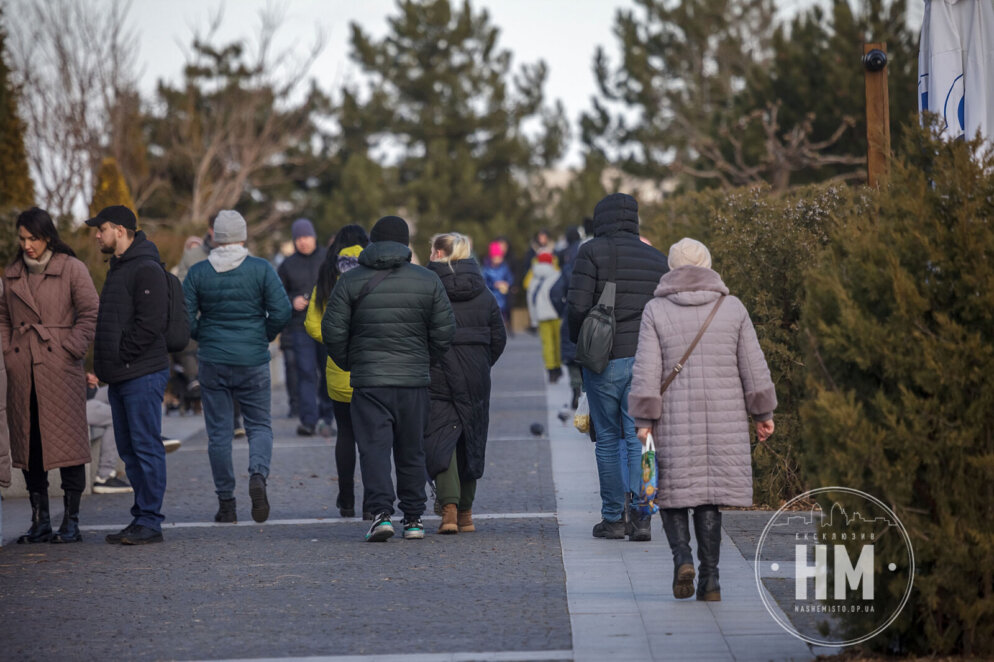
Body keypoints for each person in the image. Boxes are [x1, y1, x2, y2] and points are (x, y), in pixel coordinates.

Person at [629, 238, 776, 601]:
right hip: (722, 420)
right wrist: (762, 413)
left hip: (674, 419)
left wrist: (644, 420)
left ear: (671, 267)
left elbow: (647, 369)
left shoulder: (655, 309)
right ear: (708, 265)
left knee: (674, 494)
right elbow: (753, 367)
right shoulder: (733, 307)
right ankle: (711, 580)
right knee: (709, 497)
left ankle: (683, 559)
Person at [322, 215, 454, 542]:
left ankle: (381, 515)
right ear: (405, 244)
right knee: (412, 450)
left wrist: (351, 362)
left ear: (373, 243)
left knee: (373, 449)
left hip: (369, 382)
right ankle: (413, 519)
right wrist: (426, 360)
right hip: (413, 381)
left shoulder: (350, 281)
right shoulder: (427, 280)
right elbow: (445, 331)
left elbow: (332, 330)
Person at [567, 193, 668, 542]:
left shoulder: (591, 252)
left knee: (608, 439)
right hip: (647, 360)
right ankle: (642, 517)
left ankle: (613, 519)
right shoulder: (657, 258)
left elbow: (577, 306)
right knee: (642, 438)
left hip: (605, 360)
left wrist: (577, 341)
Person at [184, 210, 292, 524]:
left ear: (215, 237)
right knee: (259, 426)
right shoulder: (261, 269)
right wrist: (263, 336)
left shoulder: (198, 272)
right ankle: (258, 474)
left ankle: (226, 503)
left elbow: (186, 318)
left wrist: (204, 337)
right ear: (243, 237)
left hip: (213, 360)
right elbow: (282, 311)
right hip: (253, 359)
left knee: (218, 434)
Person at [0, 208, 99, 544]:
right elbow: (2, 318)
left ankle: (71, 521)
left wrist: (70, 347)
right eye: (23, 238)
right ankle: (40, 521)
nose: (28, 245)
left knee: (68, 443)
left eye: (34, 238)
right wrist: (8, 351)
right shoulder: (11, 274)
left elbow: (90, 313)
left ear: (48, 237)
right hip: (22, 369)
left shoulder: (71, 268)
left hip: (60, 368)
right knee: (31, 447)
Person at [89, 205, 171, 545]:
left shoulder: (146, 268)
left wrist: (122, 355)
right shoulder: (119, 267)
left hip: (142, 373)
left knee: (146, 446)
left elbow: (150, 324)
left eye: (102, 229)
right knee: (130, 449)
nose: (97, 235)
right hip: (122, 376)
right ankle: (142, 516)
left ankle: (150, 520)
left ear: (120, 230)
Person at [423, 233, 506, 534]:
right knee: (470, 440)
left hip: (438, 375)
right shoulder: (484, 293)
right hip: (475, 376)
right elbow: (499, 338)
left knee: (440, 439)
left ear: (439, 254)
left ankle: (448, 510)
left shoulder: (428, 289)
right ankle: (467, 514)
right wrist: (481, 363)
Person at [304, 223, 369, 519]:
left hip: (338, 368)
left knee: (346, 434)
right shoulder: (374, 273)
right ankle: (374, 502)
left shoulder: (327, 278)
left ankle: (346, 500)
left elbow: (311, 324)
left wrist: (335, 340)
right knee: (373, 438)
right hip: (372, 369)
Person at [278, 218, 333, 437]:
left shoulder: (327, 259)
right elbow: (278, 294)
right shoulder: (287, 265)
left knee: (328, 373)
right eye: (299, 238)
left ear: (314, 236)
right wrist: (292, 300)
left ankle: (327, 418)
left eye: (306, 236)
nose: (303, 242)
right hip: (300, 326)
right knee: (306, 373)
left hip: (326, 325)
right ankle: (308, 420)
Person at [87, 372, 132, 494]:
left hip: (84, 394)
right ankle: (104, 476)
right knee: (117, 417)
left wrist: (86, 379)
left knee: (124, 388)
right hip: (70, 403)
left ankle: (148, 433)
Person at [525, 252, 562, 382]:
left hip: (541, 315)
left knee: (547, 343)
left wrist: (534, 320)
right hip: (557, 314)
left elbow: (531, 299)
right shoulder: (557, 274)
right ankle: (558, 367)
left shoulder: (533, 278)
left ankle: (550, 369)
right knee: (558, 342)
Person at [482, 240, 513, 332]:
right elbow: (484, 282)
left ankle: (502, 328)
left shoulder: (504, 267)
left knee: (503, 315)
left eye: (500, 257)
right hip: (492, 297)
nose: (498, 259)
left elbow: (510, 278)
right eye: (496, 257)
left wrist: (507, 283)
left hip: (503, 297)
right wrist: (493, 285)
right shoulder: (487, 269)